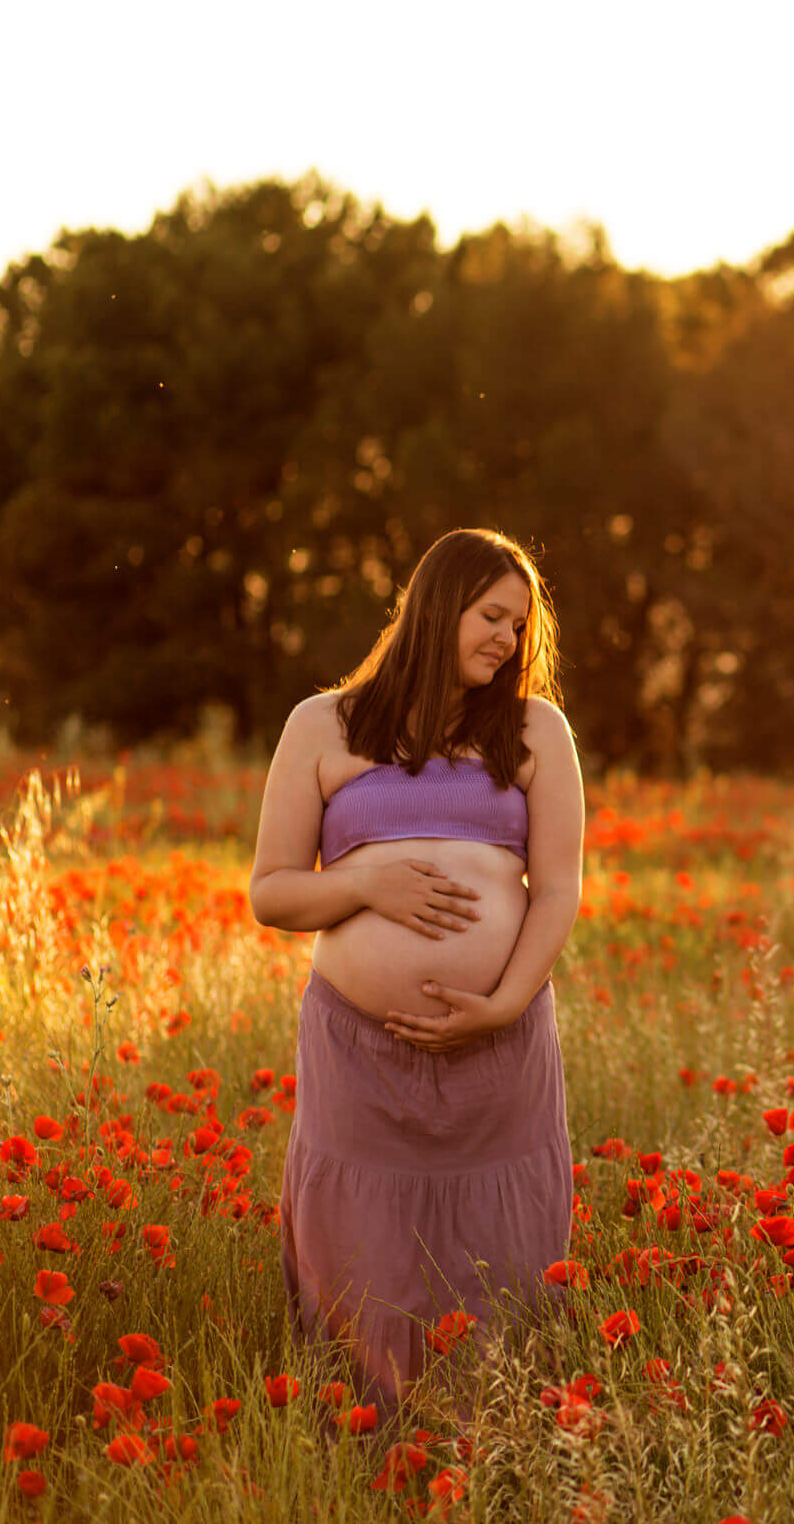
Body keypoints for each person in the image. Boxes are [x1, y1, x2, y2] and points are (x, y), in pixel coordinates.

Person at [247, 528, 584, 1422]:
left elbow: (556, 889)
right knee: (362, 1251)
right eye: (490, 616)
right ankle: (363, 1449)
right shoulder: (322, 724)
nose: (506, 640)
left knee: (502, 1252)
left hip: (500, 1044)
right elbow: (272, 894)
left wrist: (502, 1006)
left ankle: (497, 1445)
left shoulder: (534, 729)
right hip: (358, 1046)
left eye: (517, 625)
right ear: (438, 608)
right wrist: (362, 880)